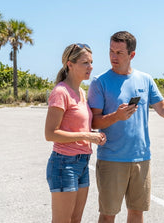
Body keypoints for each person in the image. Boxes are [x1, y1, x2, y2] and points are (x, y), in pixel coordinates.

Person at [88, 31, 164, 223]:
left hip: (142, 158)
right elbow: (94, 122)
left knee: (137, 213)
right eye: (111, 51)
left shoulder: (145, 79)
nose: (113, 57)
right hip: (112, 159)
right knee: (108, 215)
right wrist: (116, 116)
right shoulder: (100, 82)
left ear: (132, 55)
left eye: (119, 52)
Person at [45, 43, 107, 223]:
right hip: (64, 163)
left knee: (75, 220)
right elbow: (50, 134)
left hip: (82, 163)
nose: (90, 67)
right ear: (69, 65)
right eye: (85, 63)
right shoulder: (60, 92)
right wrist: (87, 136)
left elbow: (75, 127)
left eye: (91, 62)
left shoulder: (80, 92)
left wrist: (93, 134)